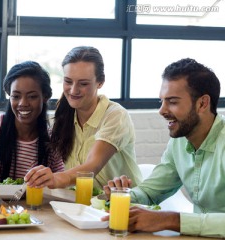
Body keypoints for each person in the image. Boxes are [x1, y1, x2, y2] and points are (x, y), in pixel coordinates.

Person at [104, 58, 225, 238]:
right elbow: (151, 191)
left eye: (172, 102)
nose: (162, 110)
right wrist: (121, 195)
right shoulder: (179, 141)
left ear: (202, 103)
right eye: (161, 101)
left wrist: (171, 220)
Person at [25, 46, 142, 190]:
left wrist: (57, 178)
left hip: (124, 204)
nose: (73, 90)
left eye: (83, 83)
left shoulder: (115, 115)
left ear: (100, 82)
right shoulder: (63, 117)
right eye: (68, 81)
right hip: (84, 205)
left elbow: (93, 165)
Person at [0, 61, 64, 181]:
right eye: (16, 96)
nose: (23, 103)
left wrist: (51, 179)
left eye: (32, 96)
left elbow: (59, 185)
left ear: (45, 97)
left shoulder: (52, 140)